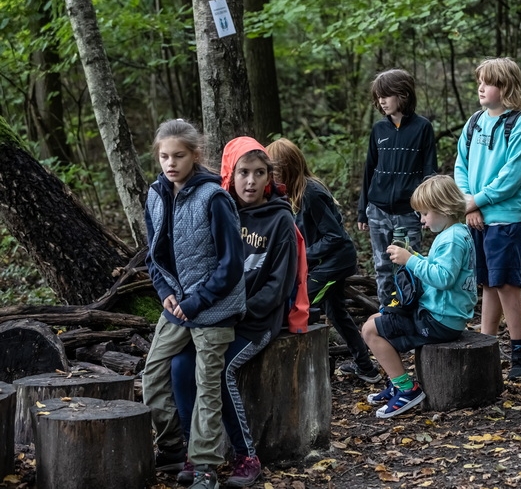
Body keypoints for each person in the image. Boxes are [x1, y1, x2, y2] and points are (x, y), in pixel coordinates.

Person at [170, 136, 298, 487]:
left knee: (221, 369)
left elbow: (279, 285)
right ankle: (194, 450)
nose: (251, 181)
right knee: (180, 364)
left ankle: (246, 455)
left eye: (259, 173)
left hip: (257, 321)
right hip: (215, 317)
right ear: (230, 173)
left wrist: (241, 313)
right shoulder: (220, 207)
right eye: (244, 172)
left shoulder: (280, 220)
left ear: (269, 177)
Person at [142, 119, 246, 489]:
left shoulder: (214, 197)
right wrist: (163, 292)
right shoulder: (155, 194)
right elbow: (152, 256)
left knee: (206, 385)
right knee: (152, 376)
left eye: (179, 156)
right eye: (164, 156)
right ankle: (172, 448)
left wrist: (198, 299)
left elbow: (232, 263)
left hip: (214, 307)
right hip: (177, 304)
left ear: (195, 155)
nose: (171, 164)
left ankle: (204, 467)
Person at [266, 137, 381, 383]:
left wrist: (302, 255)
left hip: (334, 264)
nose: (270, 175)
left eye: (273, 169)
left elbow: (335, 237)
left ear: (288, 166)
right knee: (336, 313)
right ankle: (366, 367)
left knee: (302, 307)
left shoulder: (311, 193)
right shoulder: (290, 194)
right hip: (324, 263)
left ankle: (310, 370)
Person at [361, 175, 477, 418]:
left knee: (370, 331)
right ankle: (396, 383)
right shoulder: (455, 232)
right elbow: (441, 270)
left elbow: (443, 279)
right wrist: (417, 257)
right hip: (440, 314)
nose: (422, 221)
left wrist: (411, 260)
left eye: (425, 214)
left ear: (443, 209)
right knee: (376, 317)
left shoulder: (453, 238)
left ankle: (407, 389)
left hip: (439, 320)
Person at [453, 57, 521, 380]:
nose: (481, 88)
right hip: (475, 214)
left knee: (505, 283)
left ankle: (520, 353)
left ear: (505, 87)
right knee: (487, 282)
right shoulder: (474, 122)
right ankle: (486, 347)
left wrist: (479, 202)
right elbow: (460, 165)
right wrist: (468, 205)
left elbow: (512, 175)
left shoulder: (520, 125)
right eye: (480, 82)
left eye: (488, 82)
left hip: (505, 216)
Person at [357, 68, 438, 310]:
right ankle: (386, 311)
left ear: (403, 95)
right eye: (378, 96)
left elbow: (429, 172)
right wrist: (363, 210)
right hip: (378, 211)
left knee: (409, 265)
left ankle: (409, 310)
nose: (382, 101)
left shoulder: (423, 128)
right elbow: (369, 169)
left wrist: (426, 210)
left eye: (387, 95)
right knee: (382, 265)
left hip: (408, 212)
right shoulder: (378, 130)